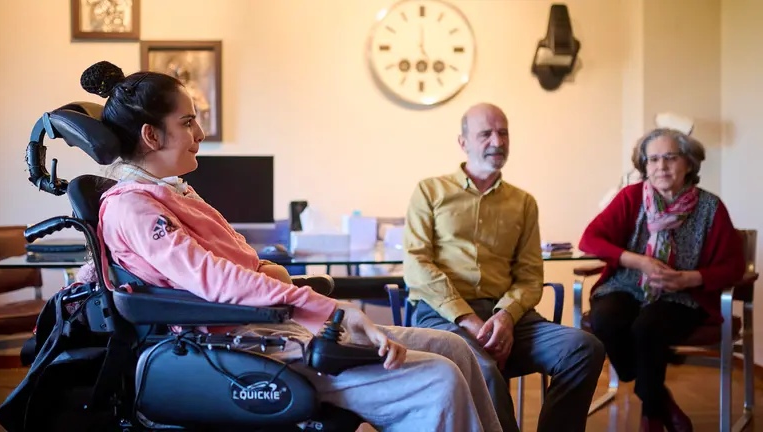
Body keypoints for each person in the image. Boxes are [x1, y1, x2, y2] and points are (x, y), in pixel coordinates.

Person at [74, 61, 503, 432]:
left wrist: (273, 275)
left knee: (455, 347)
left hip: (268, 324)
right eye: (187, 122)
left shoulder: (172, 194)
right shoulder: (132, 208)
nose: (199, 132)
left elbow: (236, 263)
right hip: (231, 343)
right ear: (151, 135)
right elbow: (217, 281)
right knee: (439, 378)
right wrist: (333, 312)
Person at [403, 102, 605, 432]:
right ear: (463, 142)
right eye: (486, 134)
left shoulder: (523, 202)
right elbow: (416, 264)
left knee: (584, 348)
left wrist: (506, 316)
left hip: (509, 318)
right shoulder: (430, 191)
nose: (497, 141)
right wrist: (469, 320)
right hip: (443, 316)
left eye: (503, 133)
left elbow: (529, 275)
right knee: (482, 371)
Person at [578, 128, 746, 431]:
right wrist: (638, 260)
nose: (661, 166)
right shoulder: (631, 197)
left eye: (670, 157)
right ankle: (655, 395)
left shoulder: (710, 207)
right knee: (605, 320)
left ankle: (651, 415)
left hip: (683, 295)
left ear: (689, 163)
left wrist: (688, 279)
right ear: (644, 165)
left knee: (647, 328)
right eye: (653, 159)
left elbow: (734, 267)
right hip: (627, 284)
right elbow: (590, 239)